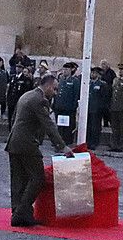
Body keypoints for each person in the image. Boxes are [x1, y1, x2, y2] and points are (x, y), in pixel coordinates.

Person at [6, 73, 74, 228]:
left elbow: (13, 118)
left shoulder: (26, 95)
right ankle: (21, 212)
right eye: (55, 89)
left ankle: (18, 212)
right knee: (38, 178)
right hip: (27, 143)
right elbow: (48, 125)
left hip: (14, 141)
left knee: (18, 180)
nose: (55, 92)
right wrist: (62, 146)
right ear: (49, 86)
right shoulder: (40, 100)